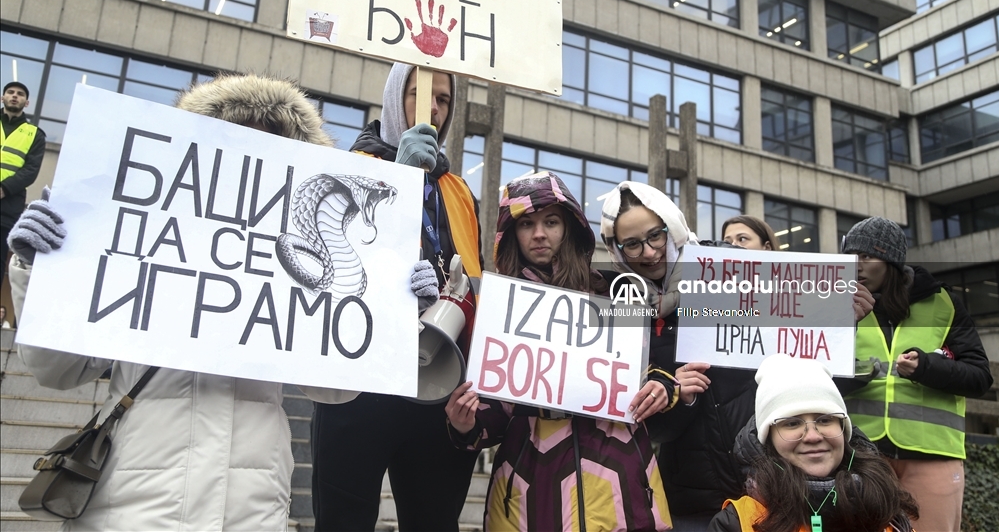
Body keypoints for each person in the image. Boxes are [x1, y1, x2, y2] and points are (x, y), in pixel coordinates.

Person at [7, 73, 335, 530]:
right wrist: (38, 272)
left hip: (250, 511)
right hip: (133, 509)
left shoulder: (298, 259)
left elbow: (337, 389)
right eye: (231, 142)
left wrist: (390, 308)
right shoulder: (135, 241)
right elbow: (56, 369)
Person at [445, 171, 674, 531]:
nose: (539, 234)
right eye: (527, 224)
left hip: (621, 487)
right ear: (511, 234)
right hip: (530, 492)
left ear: (569, 227)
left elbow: (652, 366)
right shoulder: (499, 309)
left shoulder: (615, 292)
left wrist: (661, 384)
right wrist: (466, 423)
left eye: (551, 221)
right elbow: (496, 414)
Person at [308, 63, 483, 532]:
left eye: (444, 99)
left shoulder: (459, 190)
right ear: (392, 98)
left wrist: (453, 297)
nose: (432, 108)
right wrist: (396, 184)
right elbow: (329, 266)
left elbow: (473, 277)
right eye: (417, 94)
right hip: (359, 384)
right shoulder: (351, 167)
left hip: (433, 382)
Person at [600, 182, 757, 531]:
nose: (650, 252)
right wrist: (674, 394)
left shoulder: (733, 273)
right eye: (632, 244)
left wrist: (841, 325)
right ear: (617, 249)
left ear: (672, 228)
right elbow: (656, 428)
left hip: (766, 482)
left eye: (656, 235)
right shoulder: (625, 310)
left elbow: (800, 363)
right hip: (693, 498)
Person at [841, 216, 992, 532]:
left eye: (867, 256)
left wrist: (926, 368)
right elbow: (813, 374)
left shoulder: (943, 303)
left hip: (933, 454)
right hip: (860, 454)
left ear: (892, 260)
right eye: (850, 256)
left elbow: (979, 376)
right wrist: (847, 329)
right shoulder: (836, 304)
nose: (857, 265)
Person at [708, 353, 918, 532]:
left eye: (825, 420)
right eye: (792, 423)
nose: (812, 436)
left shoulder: (886, 511)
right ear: (768, 439)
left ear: (844, 430)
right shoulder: (739, 522)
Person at [2, 80, 45, 282]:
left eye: (20, 94)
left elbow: (31, 170)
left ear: (26, 102)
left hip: (7, 208)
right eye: (10, 92)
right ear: (3, 97)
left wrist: (4, 189)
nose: (14, 95)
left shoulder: (34, 134)